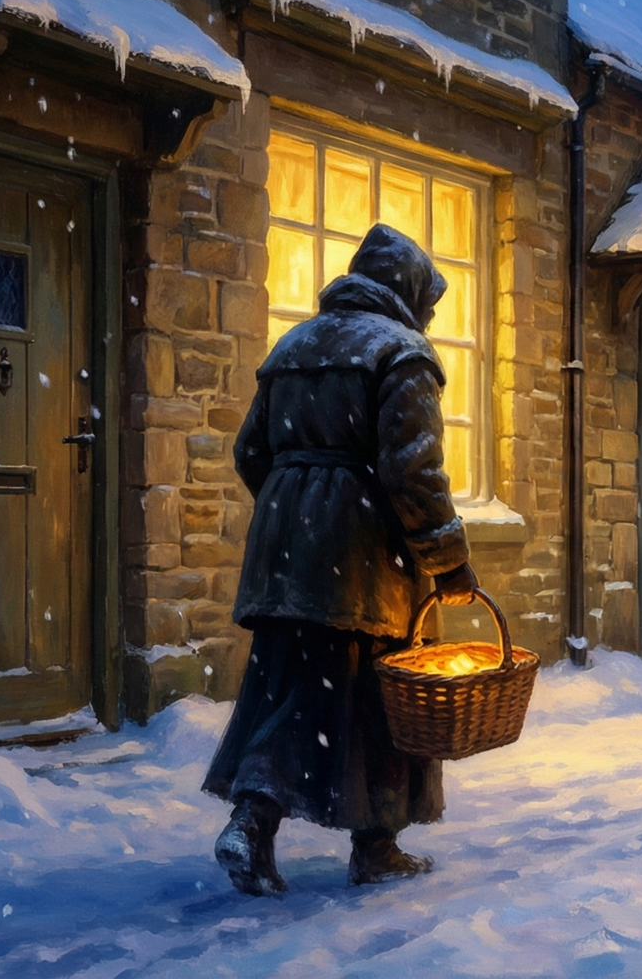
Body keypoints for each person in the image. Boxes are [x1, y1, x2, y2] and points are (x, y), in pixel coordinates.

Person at [203, 223, 480, 895]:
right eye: (429, 303)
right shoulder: (403, 353)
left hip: (286, 550)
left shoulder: (293, 345)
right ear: (406, 290)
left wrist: (296, 502)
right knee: (379, 696)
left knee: (294, 689)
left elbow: (249, 452)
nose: (431, 317)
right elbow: (413, 472)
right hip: (364, 557)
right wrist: (448, 559)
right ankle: (377, 845)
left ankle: (253, 821)